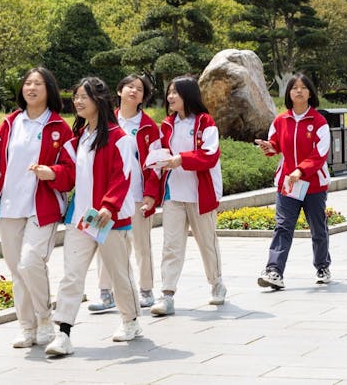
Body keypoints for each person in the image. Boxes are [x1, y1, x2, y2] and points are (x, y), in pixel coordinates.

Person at [0, 67, 73, 349]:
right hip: (9, 207)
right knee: (17, 270)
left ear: (49, 90)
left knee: (31, 262)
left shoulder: (59, 128)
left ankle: (45, 319)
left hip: (42, 207)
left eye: (38, 84)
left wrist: (52, 172)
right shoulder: (9, 123)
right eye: (28, 83)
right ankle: (26, 327)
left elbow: (70, 169)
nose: (31, 88)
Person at [45, 76, 142, 356]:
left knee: (118, 274)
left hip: (108, 220)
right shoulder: (80, 136)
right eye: (75, 97)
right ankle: (63, 331)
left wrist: (108, 206)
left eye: (82, 97)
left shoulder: (119, 138)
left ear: (97, 100)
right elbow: (71, 172)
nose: (77, 101)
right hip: (81, 219)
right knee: (72, 275)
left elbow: (122, 176)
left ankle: (131, 320)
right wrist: (51, 174)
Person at [150, 75, 226, 316]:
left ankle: (216, 283)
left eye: (176, 92)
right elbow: (160, 152)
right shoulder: (166, 125)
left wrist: (181, 159)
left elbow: (209, 155)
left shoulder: (205, 122)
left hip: (199, 193)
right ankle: (167, 294)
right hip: (174, 193)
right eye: (169, 92)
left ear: (188, 95)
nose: (170, 96)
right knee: (171, 245)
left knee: (206, 242)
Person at [87, 74, 161, 312]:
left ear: (143, 97)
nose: (134, 91)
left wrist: (151, 194)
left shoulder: (149, 127)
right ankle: (105, 292)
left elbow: (156, 164)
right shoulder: (106, 122)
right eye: (129, 86)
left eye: (139, 89)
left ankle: (146, 289)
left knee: (141, 244)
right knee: (104, 242)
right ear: (119, 91)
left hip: (138, 195)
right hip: (108, 196)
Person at [255, 73, 332, 290]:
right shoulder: (281, 120)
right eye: (294, 87)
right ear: (288, 93)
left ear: (310, 93)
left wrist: (301, 170)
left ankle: (322, 266)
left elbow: (320, 154)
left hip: (313, 184)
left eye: (303, 87)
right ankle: (274, 271)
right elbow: (276, 144)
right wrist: (269, 147)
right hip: (288, 183)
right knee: (283, 226)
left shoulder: (319, 122)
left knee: (317, 227)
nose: (298, 91)